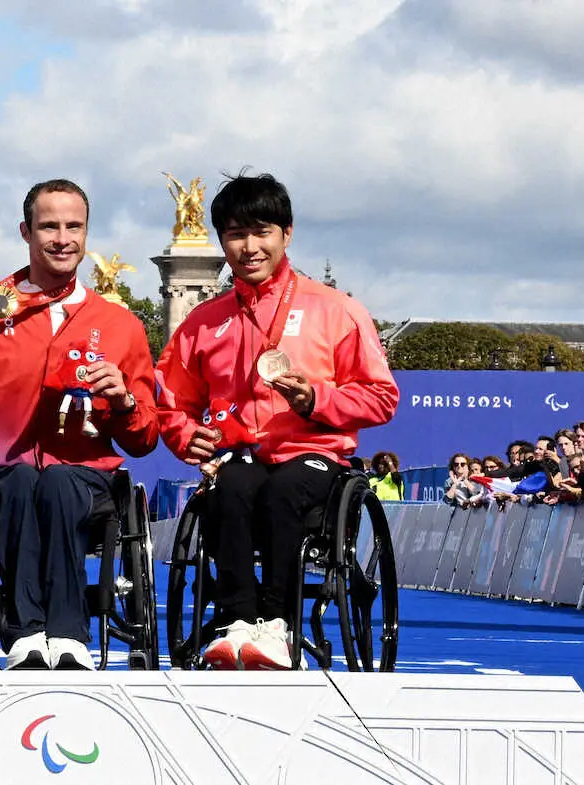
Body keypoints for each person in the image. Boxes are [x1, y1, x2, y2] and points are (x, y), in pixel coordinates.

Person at [0, 178, 159, 670]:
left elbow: (144, 439)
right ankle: (26, 633)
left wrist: (124, 400)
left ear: (87, 233)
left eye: (73, 226)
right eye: (48, 226)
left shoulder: (120, 324)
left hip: (83, 475)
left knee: (58, 481)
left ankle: (67, 634)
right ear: (25, 231)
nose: (62, 238)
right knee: (22, 479)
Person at [154, 172, 398, 670]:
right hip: (239, 455)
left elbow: (381, 397)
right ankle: (239, 623)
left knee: (284, 491)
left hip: (313, 456)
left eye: (261, 232)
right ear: (221, 241)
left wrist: (316, 400)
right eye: (236, 234)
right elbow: (170, 400)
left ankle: (278, 625)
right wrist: (186, 436)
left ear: (287, 233)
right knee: (229, 487)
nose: (249, 247)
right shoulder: (202, 322)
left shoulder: (337, 310)